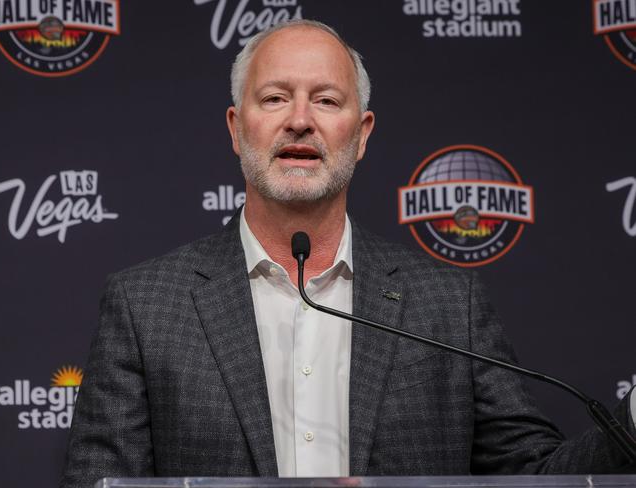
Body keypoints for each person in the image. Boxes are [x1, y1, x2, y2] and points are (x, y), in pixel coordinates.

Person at [60, 19, 636, 488]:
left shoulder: (446, 303)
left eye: (326, 100)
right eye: (276, 97)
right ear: (237, 129)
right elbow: (98, 483)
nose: (301, 120)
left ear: (361, 134)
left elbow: (535, 479)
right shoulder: (145, 305)